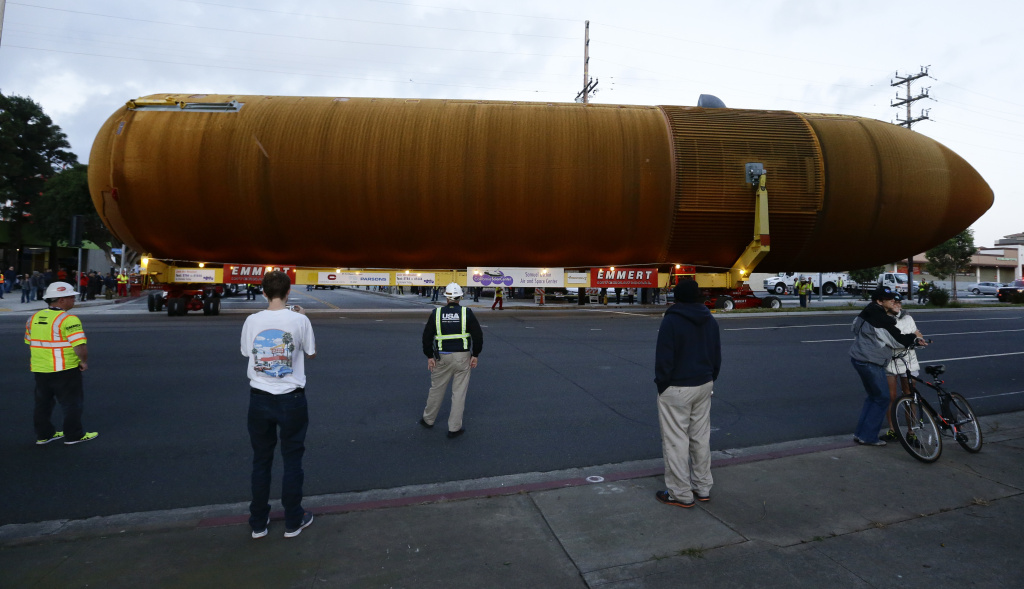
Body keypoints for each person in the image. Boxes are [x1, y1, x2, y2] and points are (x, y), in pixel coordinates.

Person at [240, 270, 317, 539]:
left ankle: (258, 523)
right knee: (292, 459)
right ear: (288, 293)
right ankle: (293, 520)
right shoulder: (299, 320)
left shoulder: (251, 320)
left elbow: (246, 351)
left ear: (263, 292)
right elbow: (311, 352)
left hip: (259, 397)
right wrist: (303, 318)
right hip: (292, 398)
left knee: (261, 460)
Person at [653, 279, 721, 508]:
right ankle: (703, 487)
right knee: (700, 438)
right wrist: (710, 378)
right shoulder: (709, 319)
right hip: (703, 383)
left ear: (677, 297)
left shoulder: (672, 320)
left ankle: (680, 493)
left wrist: (662, 384)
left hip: (677, 387)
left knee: (676, 441)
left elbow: (664, 358)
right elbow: (716, 354)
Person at [850, 287, 926, 446]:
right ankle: (869, 437)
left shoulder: (868, 312)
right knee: (882, 398)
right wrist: (914, 337)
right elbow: (897, 341)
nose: (894, 301)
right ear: (879, 301)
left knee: (873, 397)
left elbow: (854, 327)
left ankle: (861, 434)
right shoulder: (881, 319)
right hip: (871, 361)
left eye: (896, 299)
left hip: (860, 358)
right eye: (890, 299)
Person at [25, 281, 98, 446]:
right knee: (71, 403)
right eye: (72, 297)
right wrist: (83, 362)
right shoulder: (69, 319)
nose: (74, 300)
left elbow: (30, 341)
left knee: (42, 404)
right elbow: (79, 346)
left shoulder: (33, 318)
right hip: (65, 369)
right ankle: (73, 435)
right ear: (62, 300)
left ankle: (44, 435)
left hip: (39, 369)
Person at [420, 282, 483, 438]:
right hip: (462, 357)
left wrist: (429, 356)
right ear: (460, 297)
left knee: (436, 389)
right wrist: (475, 354)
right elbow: (478, 336)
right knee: (459, 393)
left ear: (446, 297)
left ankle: (428, 420)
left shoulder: (436, 313)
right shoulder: (466, 313)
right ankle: (454, 428)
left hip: (442, 357)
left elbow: (426, 337)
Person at [881, 295, 919, 440]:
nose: (897, 305)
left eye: (899, 302)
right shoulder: (883, 319)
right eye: (894, 302)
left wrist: (919, 339)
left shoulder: (907, 318)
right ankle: (893, 430)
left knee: (909, 396)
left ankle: (912, 432)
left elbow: (916, 333)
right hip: (890, 361)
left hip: (909, 361)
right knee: (890, 397)